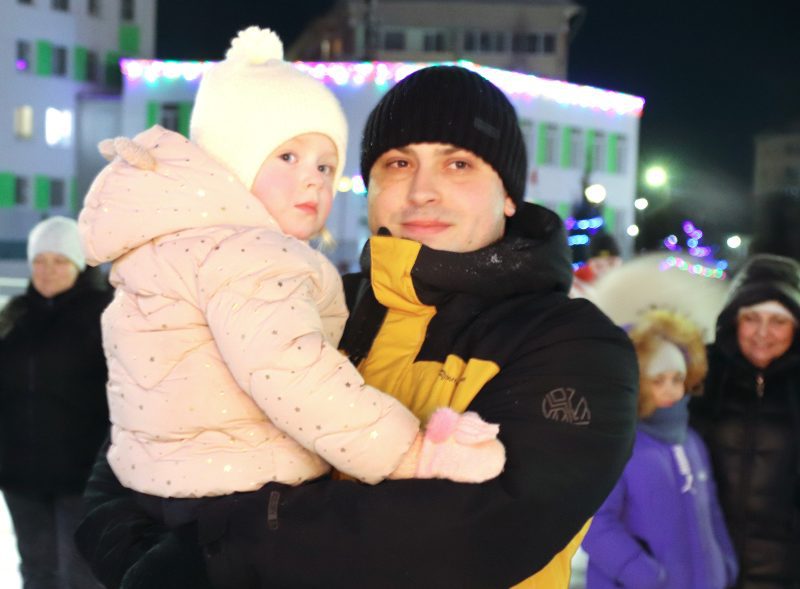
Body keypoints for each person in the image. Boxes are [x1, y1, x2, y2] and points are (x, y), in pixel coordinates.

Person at [75, 63, 640, 589]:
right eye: (398, 163)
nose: (422, 190)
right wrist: (142, 559)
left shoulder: (574, 345)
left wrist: (215, 551)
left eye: (458, 164)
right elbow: (144, 438)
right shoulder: (311, 299)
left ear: (510, 193)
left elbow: (477, 530)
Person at [582, 308, 738, 588]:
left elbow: (711, 511)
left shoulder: (691, 442)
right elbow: (594, 525)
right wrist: (645, 575)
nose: (671, 389)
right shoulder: (616, 445)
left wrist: (725, 563)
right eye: (657, 380)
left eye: (678, 378)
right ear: (635, 381)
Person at [0, 216, 111, 589]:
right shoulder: (15, 316)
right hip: (21, 475)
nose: (47, 270)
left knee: (80, 575)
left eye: (60, 260)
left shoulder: (105, 316)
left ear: (79, 265)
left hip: (82, 477)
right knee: (37, 572)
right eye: (39, 261)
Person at [690, 253, 800, 589]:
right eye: (751, 318)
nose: (763, 333)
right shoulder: (700, 374)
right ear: (734, 320)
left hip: (786, 571)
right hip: (707, 566)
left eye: (778, 321)